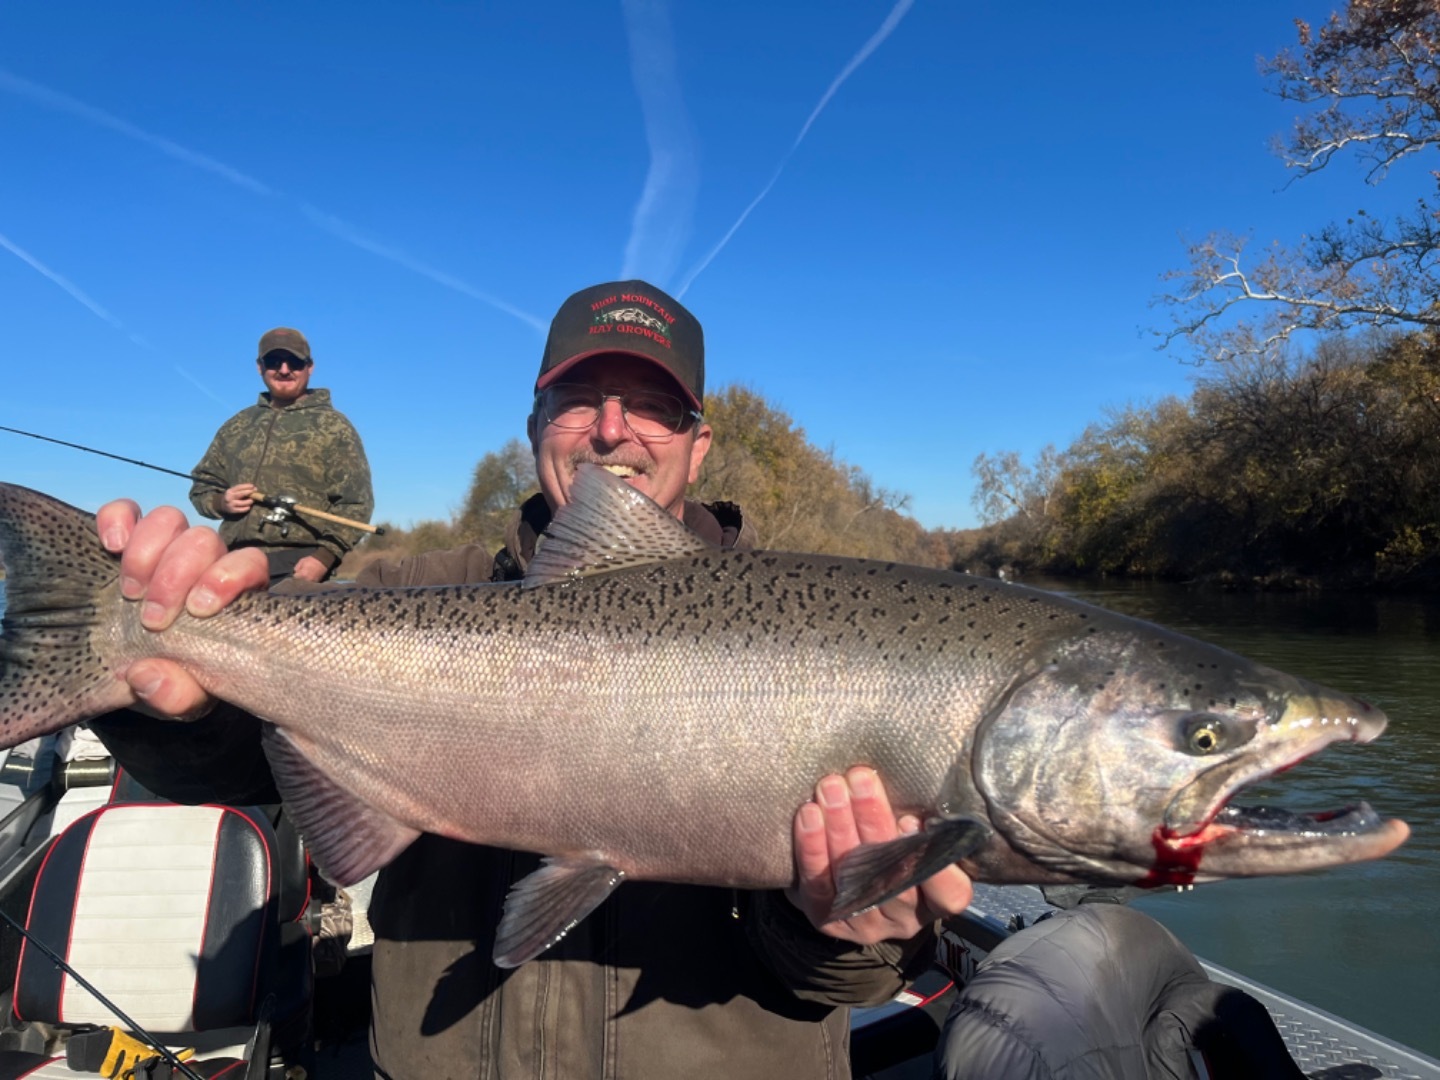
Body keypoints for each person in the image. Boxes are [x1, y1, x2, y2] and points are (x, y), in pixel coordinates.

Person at [87, 280, 974, 1080]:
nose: (612, 429)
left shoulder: (827, 632)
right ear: (534, 427)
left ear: (698, 447)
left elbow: (845, 981)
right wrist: (172, 694)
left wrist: (836, 926)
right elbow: (231, 769)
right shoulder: (409, 593)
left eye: (653, 406)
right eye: (578, 400)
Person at [189, 326, 374, 583]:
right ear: (259, 367)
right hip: (232, 564)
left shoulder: (335, 426)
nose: (284, 370)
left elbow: (355, 504)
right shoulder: (236, 426)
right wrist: (221, 502)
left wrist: (324, 558)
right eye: (274, 361)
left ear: (310, 367)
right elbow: (201, 487)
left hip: (299, 567)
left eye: (295, 362)